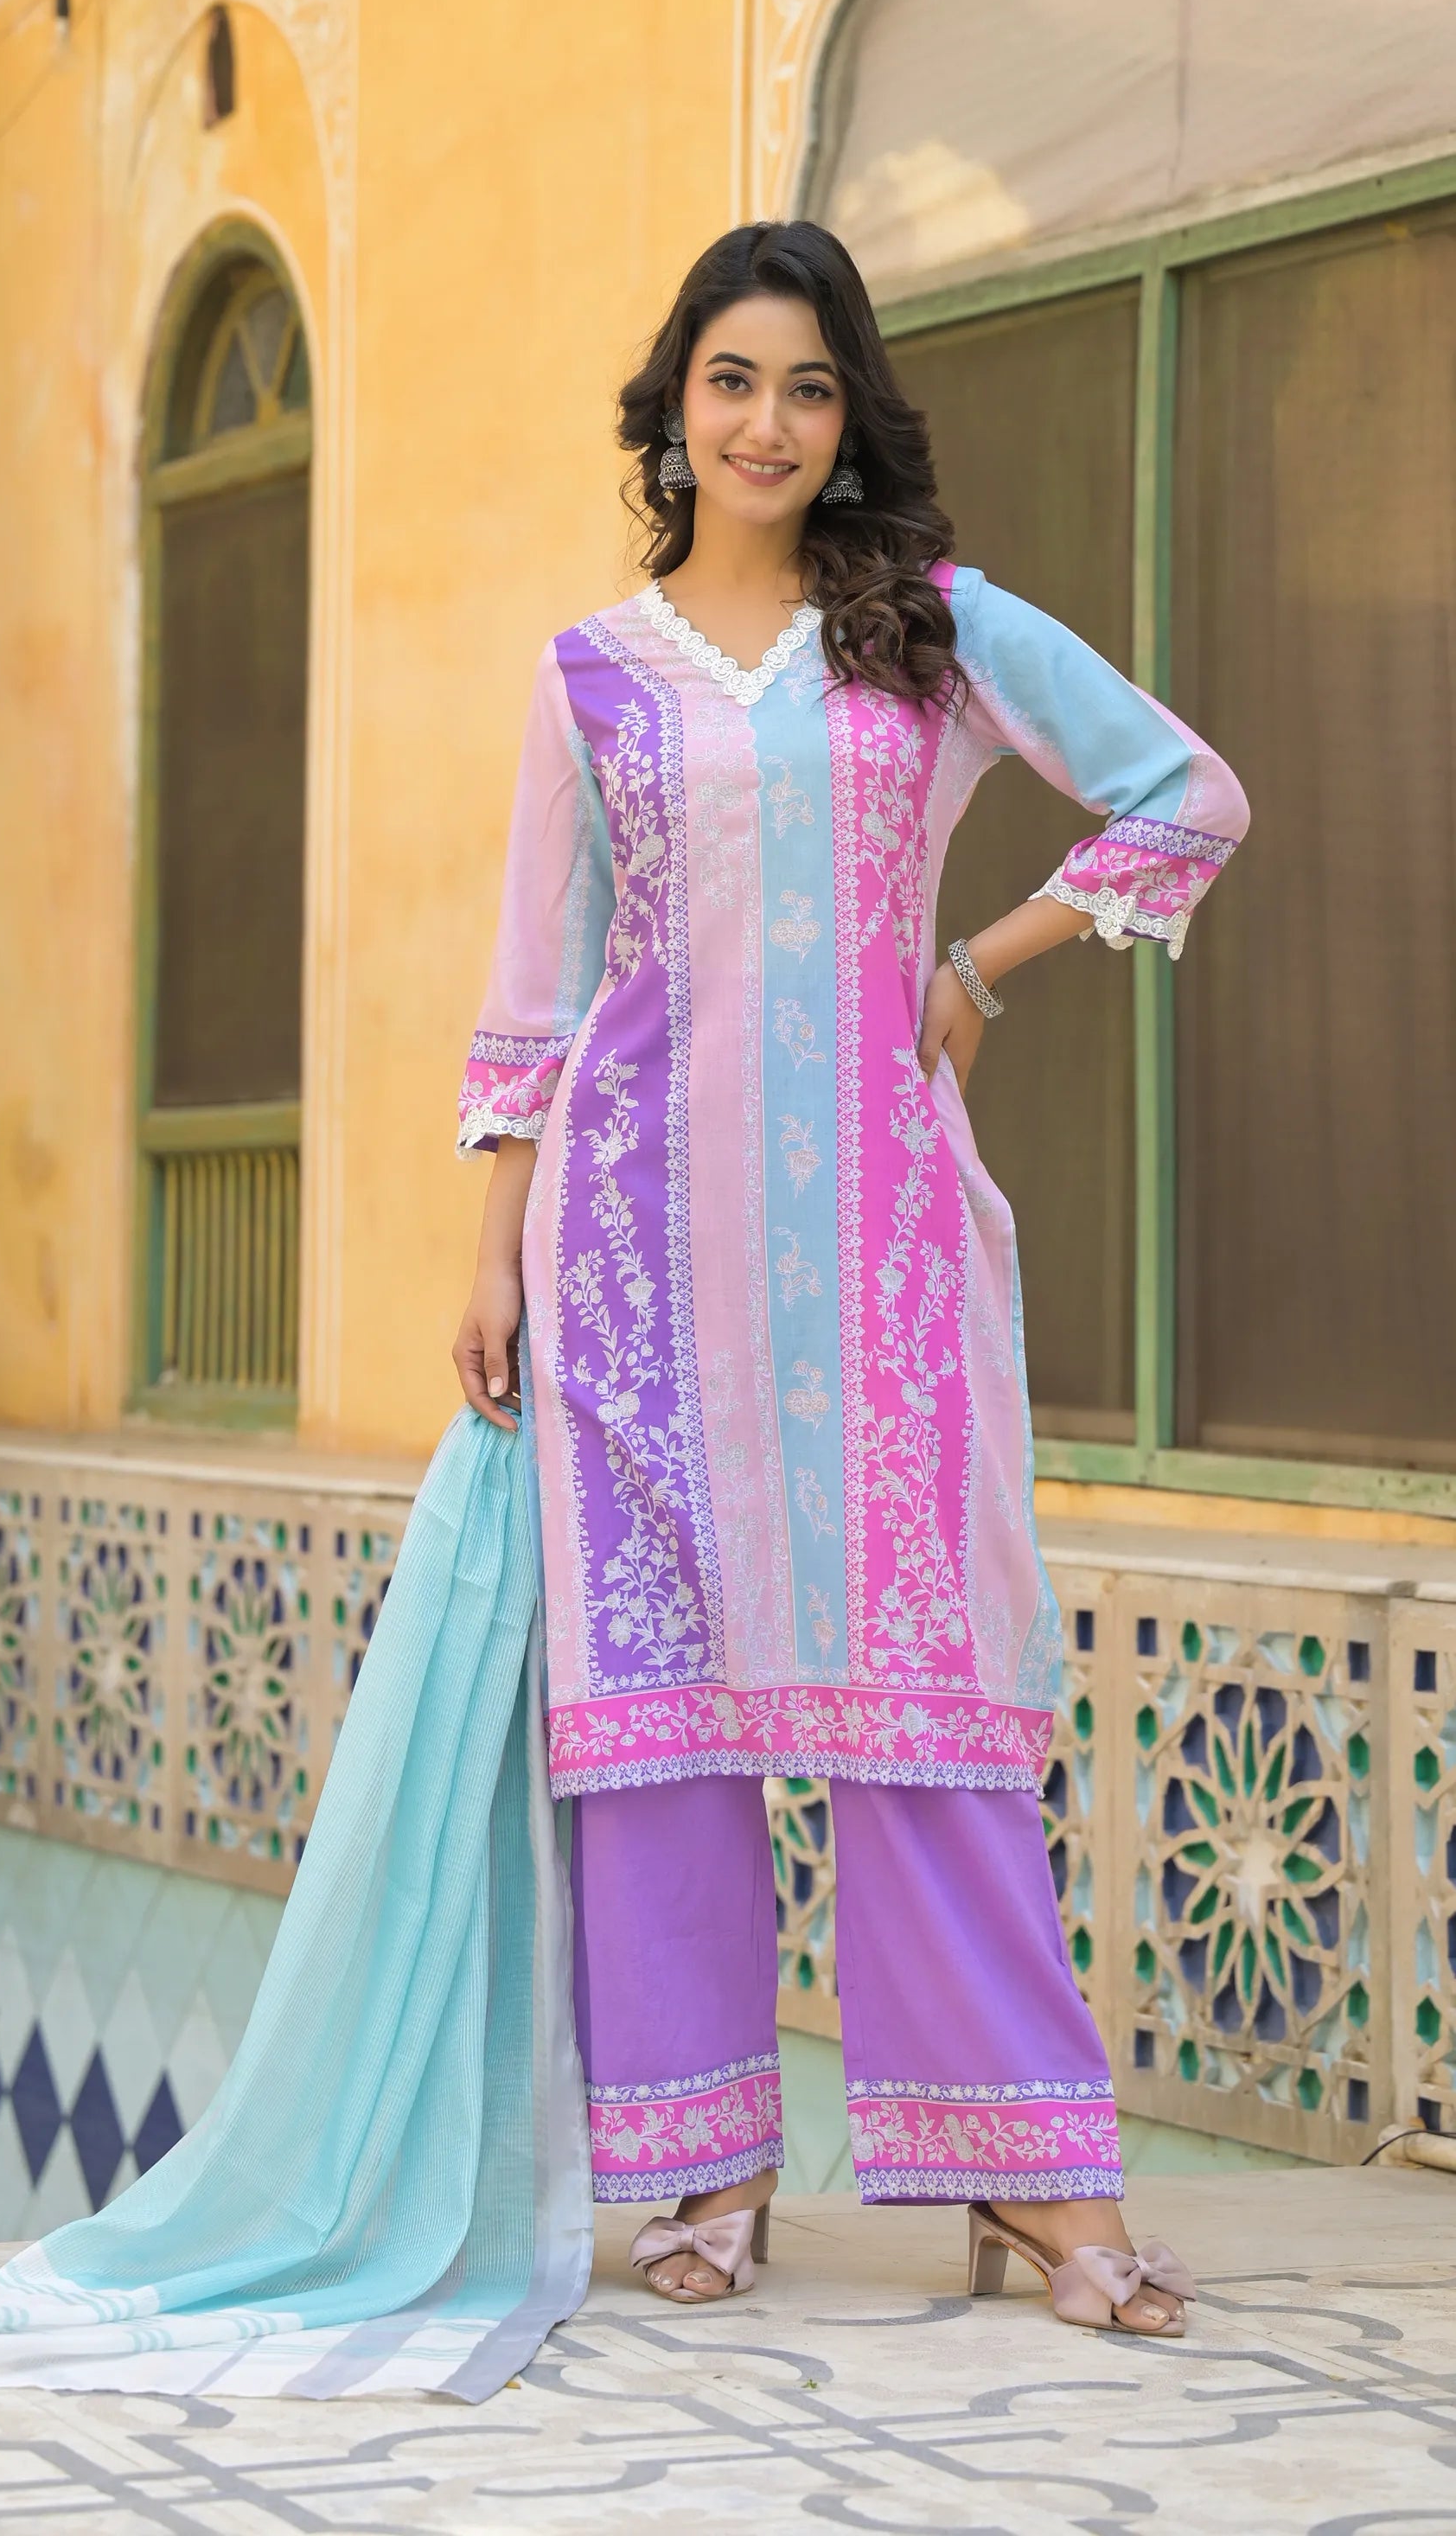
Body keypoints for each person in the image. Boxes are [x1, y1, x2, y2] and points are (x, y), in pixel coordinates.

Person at [450, 220, 1245, 2336]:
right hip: (625, 1256)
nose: (768, 423)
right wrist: (491, 1254)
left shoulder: (931, 633)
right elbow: (536, 996)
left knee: (926, 1703)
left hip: (881, 1249)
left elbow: (1189, 790)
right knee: (661, 1724)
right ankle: (703, 2166)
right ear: (673, 407)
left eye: (808, 387)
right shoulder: (590, 675)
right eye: (731, 380)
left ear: (848, 413)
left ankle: (1026, 2186)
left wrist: (980, 961)